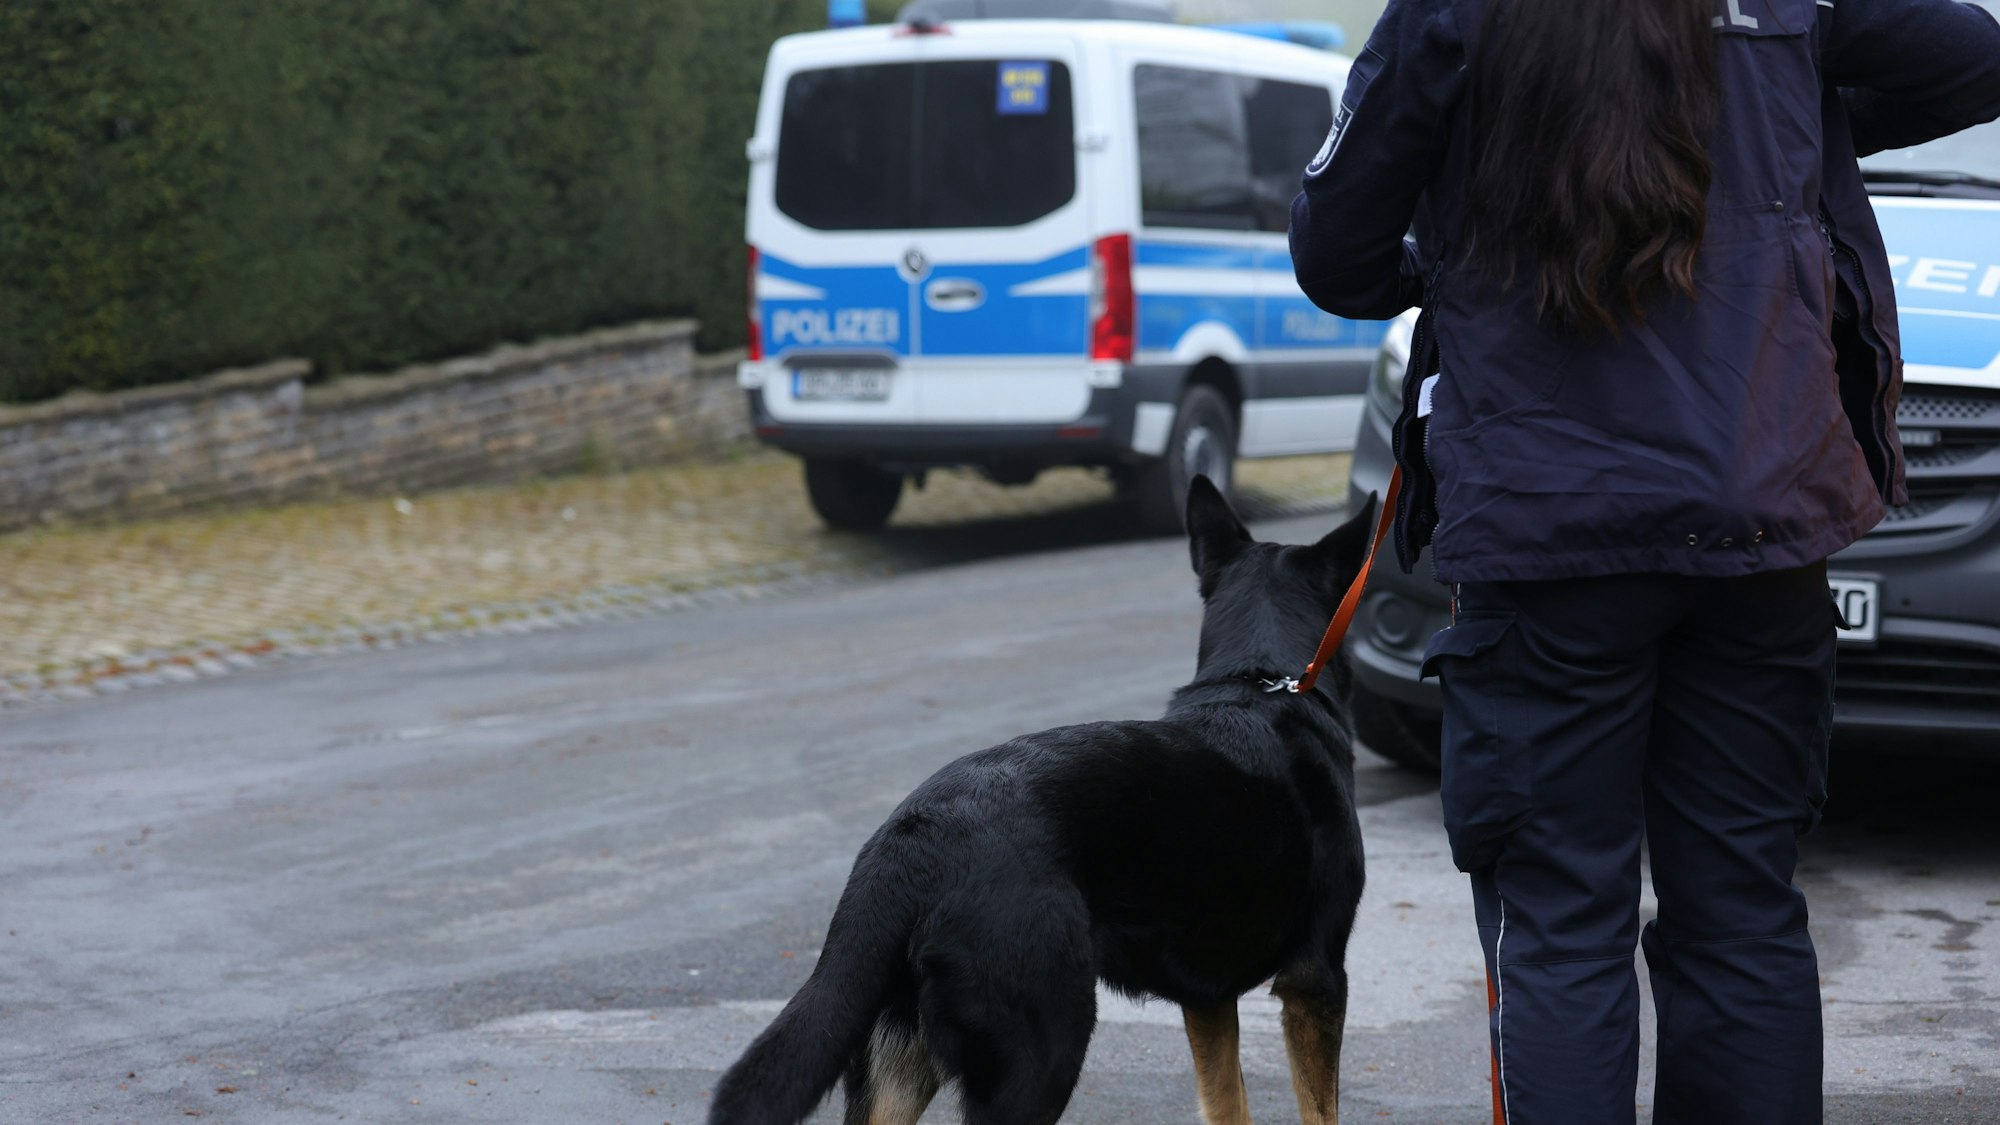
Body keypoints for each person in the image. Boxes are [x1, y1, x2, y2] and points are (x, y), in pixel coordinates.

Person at [1289, 0, 2000, 1122]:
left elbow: (1336, 253)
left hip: (1545, 536)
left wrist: (1463, 240)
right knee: (1740, 910)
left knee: (1560, 923)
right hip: (1759, 524)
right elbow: (1974, 57)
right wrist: (1770, 135)